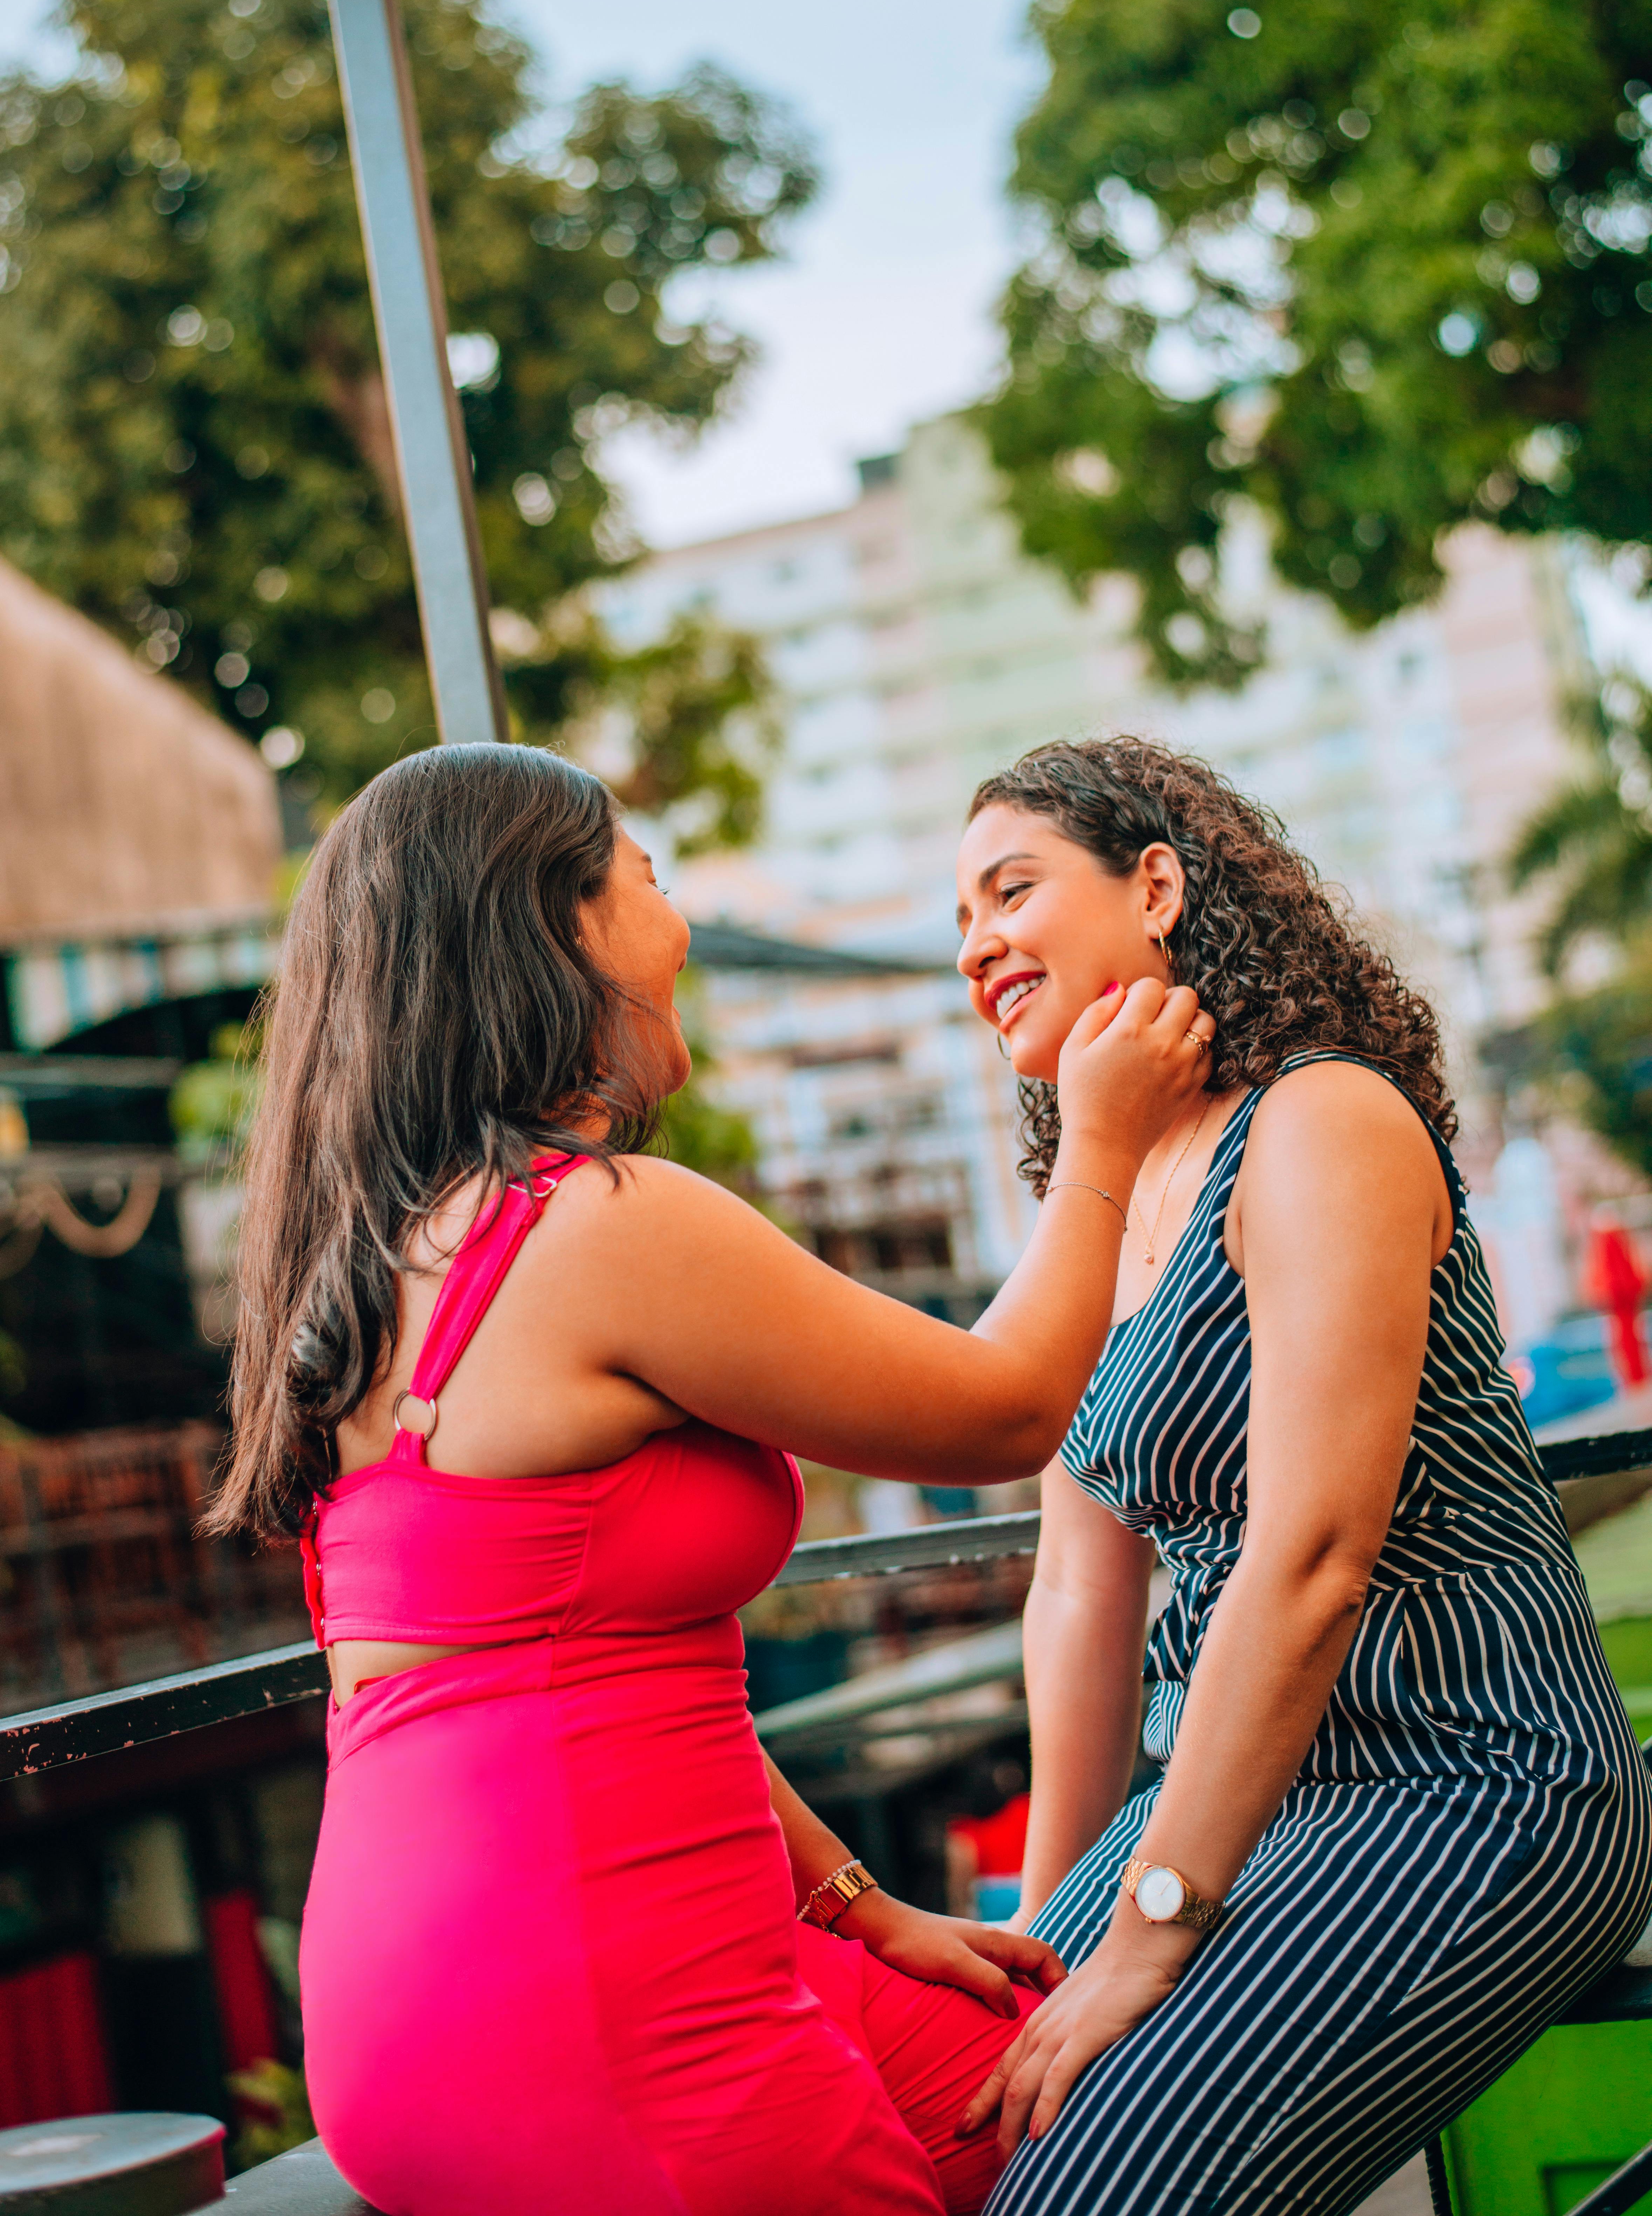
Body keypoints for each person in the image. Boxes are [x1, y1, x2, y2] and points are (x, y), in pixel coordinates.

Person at [205, 740, 1215, 2216]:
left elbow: (585, 1671)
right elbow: (1002, 1409)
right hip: (595, 1999)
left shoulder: (377, 1263)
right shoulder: (600, 1227)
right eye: (650, 881)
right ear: (559, 929)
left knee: (1051, 2094)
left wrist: (867, 1910)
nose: (677, 929)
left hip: (441, 1990)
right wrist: (1103, 1140)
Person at [949, 737, 1652, 2216]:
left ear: (1155, 885)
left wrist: (1145, 1937)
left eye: (1011, 890)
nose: (978, 945)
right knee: (966, 2121)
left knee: (1094, 2198)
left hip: (1474, 1778)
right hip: (1245, 1796)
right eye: (959, 921)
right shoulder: (1108, 1190)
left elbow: (1315, 1554)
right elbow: (1079, 1584)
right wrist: (1039, 1933)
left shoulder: (1321, 1121)